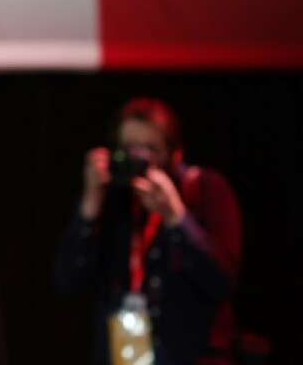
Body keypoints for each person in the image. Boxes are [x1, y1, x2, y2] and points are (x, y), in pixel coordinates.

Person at [52, 96, 243, 365]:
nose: (139, 159)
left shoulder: (206, 189)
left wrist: (175, 217)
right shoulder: (112, 198)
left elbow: (222, 281)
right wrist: (90, 203)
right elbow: (67, 281)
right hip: (123, 356)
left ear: (176, 153)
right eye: (130, 148)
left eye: (151, 149)